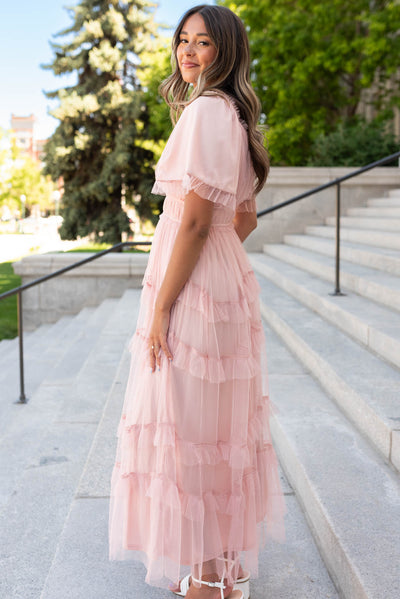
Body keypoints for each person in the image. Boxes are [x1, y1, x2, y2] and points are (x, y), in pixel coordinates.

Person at [108, 5, 286, 599]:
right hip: (215, 283)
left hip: (192, 288)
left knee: (189, 426)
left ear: (226, 51)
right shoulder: (230, 114)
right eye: (183, 40)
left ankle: (209, 582)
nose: (188, 52)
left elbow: (193, 225)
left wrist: (164, 303)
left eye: (203, 42)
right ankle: (221, 571)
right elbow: (244, 219)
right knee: (213, 426)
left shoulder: (207, 112)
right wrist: (217, 269)